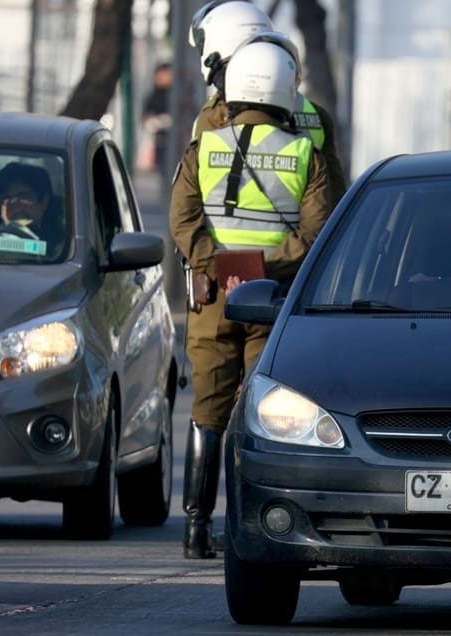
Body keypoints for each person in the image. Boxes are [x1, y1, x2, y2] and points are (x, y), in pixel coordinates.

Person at [170, 39, 335, 559]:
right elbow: (317, 234)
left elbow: (183, 218)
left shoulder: (205, 146)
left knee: (208, 409)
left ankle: (196, 530)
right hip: (272, 300)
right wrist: (259, 268)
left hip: (214, 296)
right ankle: (251, 527)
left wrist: (213, 265)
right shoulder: (305, 153)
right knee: (262, 412)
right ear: (288, 89)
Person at [187, 1, 347, 205]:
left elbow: (190, 201)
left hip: (224, 234)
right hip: (308, 234)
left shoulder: (214, 115)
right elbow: (335, 198)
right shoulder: (316, 115)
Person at [0, 162, 66, 258]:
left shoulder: (63, 242)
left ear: (44, 201)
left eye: (24, 197)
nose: (14, 205)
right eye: (6, 198)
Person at [141, 63, 173, 172]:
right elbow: (145, 116)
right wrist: (156, 122)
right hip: (157, 140)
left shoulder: (174, 95)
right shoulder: (153, 96)